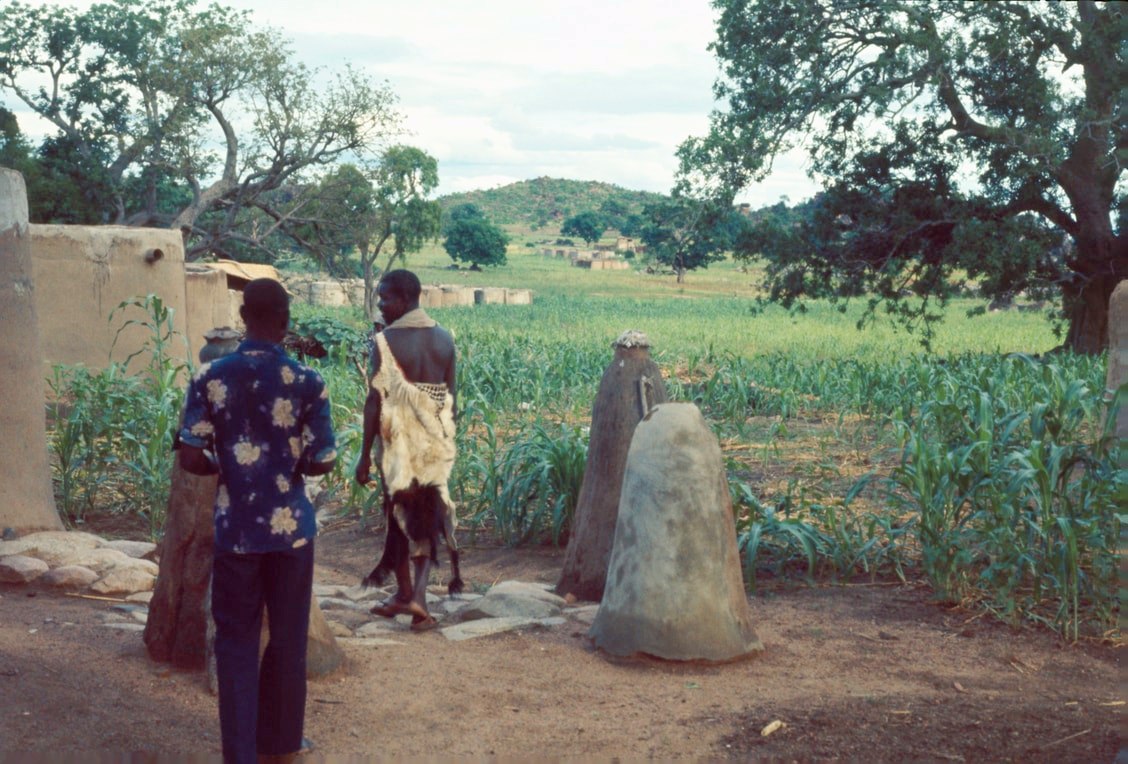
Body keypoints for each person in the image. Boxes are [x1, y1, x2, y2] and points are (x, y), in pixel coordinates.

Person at [178, 278, 336, 764]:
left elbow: (190, 455)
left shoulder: (211, 377)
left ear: (243, 316)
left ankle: (240, 752)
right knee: (288, 640)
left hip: (237, 531)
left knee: (235, 642)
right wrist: (292, 467)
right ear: (286, 322)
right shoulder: (307, 382)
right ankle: (283, 741)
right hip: (291, 535)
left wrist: (226, 466)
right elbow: (323, 459)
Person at [354, 269, 462, 632]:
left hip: (397, 443)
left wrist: (364, 454)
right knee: (427, 520)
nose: (381, 306)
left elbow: (374, 401)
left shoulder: (385, 342)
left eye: (384, 298)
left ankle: (407, 594)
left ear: (403, 299)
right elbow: (451, 401)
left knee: (398, 520)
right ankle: (415, 597)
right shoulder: (445, 339)